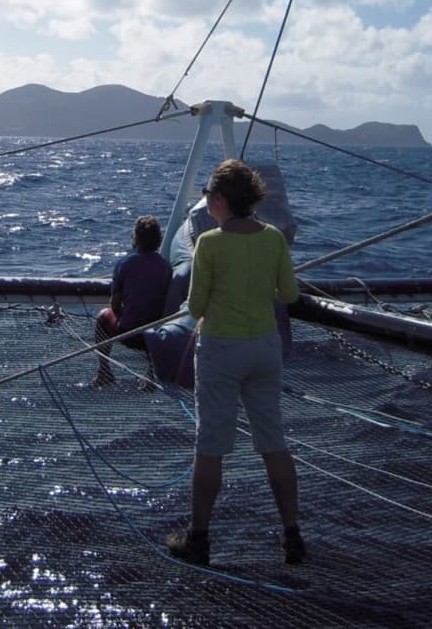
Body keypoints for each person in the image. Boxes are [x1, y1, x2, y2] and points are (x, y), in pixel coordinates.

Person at [166, 159, 303, 566]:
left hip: (222, 350)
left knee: (210, 447)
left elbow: (196, 304)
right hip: (265, 348)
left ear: (221, 200)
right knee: (273, 444)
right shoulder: (274, 238)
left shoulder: (209, 243)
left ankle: (200, 540)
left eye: (208, 193)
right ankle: (293, 537)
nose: (206, 199)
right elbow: (290, 294)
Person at [91, 215, 172, 388]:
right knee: (155, 318)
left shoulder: (124, 264)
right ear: (158, 240)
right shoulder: (166, 267)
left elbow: (115, 303)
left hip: (129, 334)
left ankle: (103, 371)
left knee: (103, 316)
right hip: (155, 337)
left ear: (136, 239)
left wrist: (125, 317)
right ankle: (150, 373)